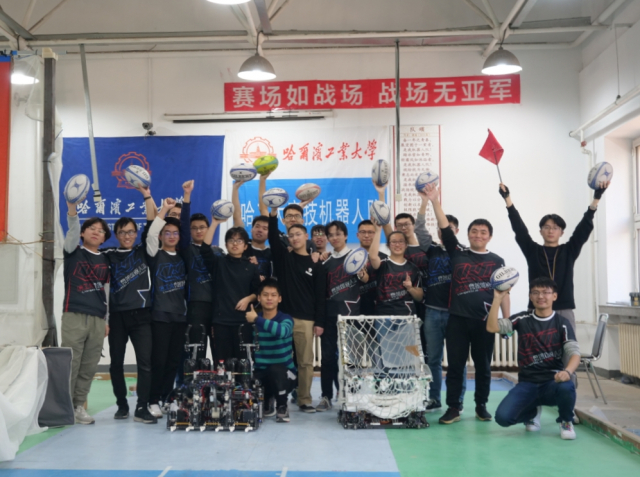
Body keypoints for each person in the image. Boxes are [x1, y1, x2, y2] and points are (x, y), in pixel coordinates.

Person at [424, 184, 509, 425]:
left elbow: (504, 292)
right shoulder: (458, 253)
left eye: (483, 232)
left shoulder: (497, 260)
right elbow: (444, 227)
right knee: (455, 366)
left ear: (489, 236)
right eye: (474, 231)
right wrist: (434, 201)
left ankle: (481, 405)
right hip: (457, 320)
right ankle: (453, 407)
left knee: (483, 367)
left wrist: (506, 320)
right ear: (468, 234)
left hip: (485, 322)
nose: (478, 235)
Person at [499, 181, 609, 332]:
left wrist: (595, 200)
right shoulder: (533, 250)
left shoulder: (569, 250)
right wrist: (508, 200)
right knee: (534, 345)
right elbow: (520, 229)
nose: (551, 231)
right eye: (547, 227)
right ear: (541, 231)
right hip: (536, 308)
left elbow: (582, 229)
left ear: (561, 232)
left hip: (563, 308)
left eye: (555, 228)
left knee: (567, 346)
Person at [488, 278, 580, 440]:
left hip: (552, 382)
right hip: (527, 383)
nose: (540, 296)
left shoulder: (562, 323)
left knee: (567, 386)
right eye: (536, 293)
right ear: (530, 297)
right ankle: (532, 412)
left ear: (554, 296)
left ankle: (566, 421)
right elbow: (492, 327)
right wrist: (497, 299)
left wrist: (567, 371)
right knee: (503, 418)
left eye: (546, 292)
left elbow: (574, 354)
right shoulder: (522, 319)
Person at [102, 185, 157, 424]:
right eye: (123, 232)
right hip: (117, 317)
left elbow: (153, 224)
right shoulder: (108, 254)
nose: (127, 236)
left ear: (136, 233)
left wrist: (147, 195)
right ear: (116, 234)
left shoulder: (143, 251)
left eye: (131, 232)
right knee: (116, 363)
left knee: (145, 363)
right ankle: (122, 405)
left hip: (142, 316)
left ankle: (142, 407)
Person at [268, 200, 326, 413]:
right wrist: (273, 213)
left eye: (298, 234)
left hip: (306, 320)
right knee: (279, 361)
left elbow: (320, 296)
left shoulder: (316, 264)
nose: (294, 238)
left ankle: (304, 399)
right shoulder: (284, 258)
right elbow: (272, 238)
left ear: (306, 237)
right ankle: (277, 399)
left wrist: (319, 322)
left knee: (305, 362)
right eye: (291, 235)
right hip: (283, 319)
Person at [413, 189, 466, 414]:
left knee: (457, 361)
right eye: (442, 228)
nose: (445, 232)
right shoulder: (432, 249)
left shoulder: (464, 252)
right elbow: (418, 228)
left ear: (456, 231)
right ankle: (434, 398)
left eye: (449, 229)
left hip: (456, 313)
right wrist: (425, 202)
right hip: (433, 312)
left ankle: (457, 401)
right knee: (432, 359)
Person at [62, 199, 110, 425]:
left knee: (89, 366)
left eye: (100, 230)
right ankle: (63, 407)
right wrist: (72, 208)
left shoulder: (106, 260)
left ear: (104, 238)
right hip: (74, 314)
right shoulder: (73, 251)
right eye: (91, 228)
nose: (96, 232)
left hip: (98, 319)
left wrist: (106, 320)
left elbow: (107, 292)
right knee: (71, 363)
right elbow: (72, 229)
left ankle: (78, 406)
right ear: (82, 233)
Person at [317, 220, 366, 412]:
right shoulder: (325, 262)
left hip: (352, 317)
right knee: (327, 358)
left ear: (346, 235)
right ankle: (326, 396)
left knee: (352, 360)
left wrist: (362, 275)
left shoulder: (357, 257)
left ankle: (352, 396)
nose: (334, 237)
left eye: (338, 234)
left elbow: (366, 279)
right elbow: (321, 294)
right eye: (331, 235)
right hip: (330, 317)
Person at [146, 197, 188, 418]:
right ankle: (152, 400)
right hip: (160, 316)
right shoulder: (155, 255)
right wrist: (164, 210)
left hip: (180, 317)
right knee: (159, 361)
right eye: (167, 233)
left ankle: (165, 398)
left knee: (173, 362)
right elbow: (151, 234)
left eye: (175, 233)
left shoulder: (183, 257)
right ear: (162, 236)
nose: (171, 236)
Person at [201, 218, 261, 362]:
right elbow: (204, 249)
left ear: (245, 246)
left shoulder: (251, 267)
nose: (235, 243)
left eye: (239, 241)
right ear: (226, 244)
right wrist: (214, 223)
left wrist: (248, 299)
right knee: (222, 363)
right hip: (221, 321)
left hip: (243, 322)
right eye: (231, 240)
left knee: (243, 364)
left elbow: (258, 292)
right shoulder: (218, 263)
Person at [245, 278, 297, 423]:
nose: (269, 298)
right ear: (259, 298)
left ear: (279, 299)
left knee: (276, 370)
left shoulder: (286, 319)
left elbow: (281, 332)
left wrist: (257, 320)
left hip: (286, 375)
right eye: (265, 295)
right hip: (262, 371)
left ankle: (282, 406)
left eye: (273, 295)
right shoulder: (253, 321)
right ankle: (267, 399)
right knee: (246, 380)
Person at [178, 180, 216, 362]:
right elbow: (183, 227)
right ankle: (195, 381)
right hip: (195, 306)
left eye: (202, 227)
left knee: (220, 352)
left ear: (209, 229)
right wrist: (187, 196)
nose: (199, 231)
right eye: (194, 228)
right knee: (196, 352)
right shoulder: (187, 249)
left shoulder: (219, 252)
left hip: (218, 307)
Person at [232, 179, 272, 279]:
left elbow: (264, 209)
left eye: (265, 228)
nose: (260, 230)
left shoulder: (272, 252)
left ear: (270, 233)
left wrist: (263, 179)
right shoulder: (243, 246)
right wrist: (235, 189)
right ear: (251, 229)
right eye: (257, 226)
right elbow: (237, 217)